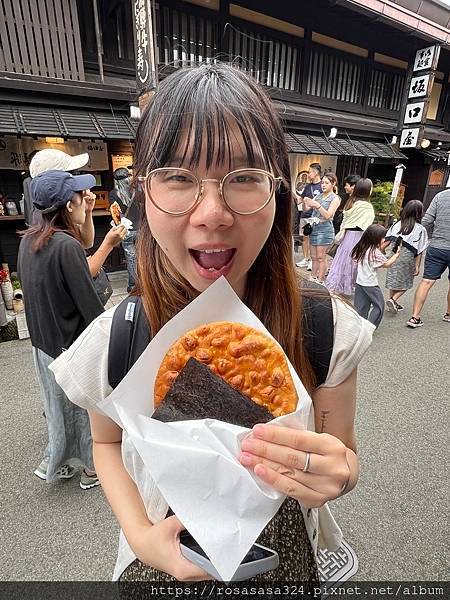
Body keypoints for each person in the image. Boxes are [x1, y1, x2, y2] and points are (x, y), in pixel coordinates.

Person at [50, 64, 373, 582]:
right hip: (161, 556)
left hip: (287, 556)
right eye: (178, 177)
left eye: (243, 178)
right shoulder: (120, 337)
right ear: (143, 192)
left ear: (278, 191)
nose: (212, 213)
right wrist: (140, 538)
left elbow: (344, 453)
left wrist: (343, 473)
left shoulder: (323, 326)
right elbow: (106, 443)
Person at [17, 170, 105, 489]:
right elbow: (90, 306)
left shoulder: (30, 239)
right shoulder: (66, 246)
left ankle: (59, 462)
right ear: (69, 204)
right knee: (85, 409)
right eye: (81, 196)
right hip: (70, 344)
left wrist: (89, 212)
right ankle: (93, 469)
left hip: (43, 342)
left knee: (58, 409)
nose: (86, 200)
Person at [27, 148, 127, 276]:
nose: (73, 178)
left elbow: (86, 242)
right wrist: (108, 244)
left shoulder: (50, 224)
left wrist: (87, 210)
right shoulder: (62, 242)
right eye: (69, 174)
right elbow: (84, 274)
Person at [407, 189, 450, 327]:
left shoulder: (440, 196)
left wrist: (416, 237)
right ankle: (448, 314)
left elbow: (427, 221)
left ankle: (415, 317)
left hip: (437, 246)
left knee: (426, 281)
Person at [326, 178, 375, 296]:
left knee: (342, 260)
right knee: (354, 262)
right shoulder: (366, 206)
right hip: (359, 236)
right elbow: (367, 224)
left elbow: (346, 220)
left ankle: (336, 285)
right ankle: (349, 286)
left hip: (348, 235)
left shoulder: (351, 202)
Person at [352, 224, 400, 328]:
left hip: (360, 282)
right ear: (375, 238)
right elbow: (387, 264)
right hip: (370, 284)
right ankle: (369, 327)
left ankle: (359, 326)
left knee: (361, 306)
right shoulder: (374, 252)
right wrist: (396, 255)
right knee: (379, 306)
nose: (384, 240)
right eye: (383, 237)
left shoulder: (362, 248)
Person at [385, 200, 428, 314]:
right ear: (419, 213)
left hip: (393, 255)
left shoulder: (397, 224)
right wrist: (417, 266)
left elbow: (387, 240)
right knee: (406, 283)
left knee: (394, 279)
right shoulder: (420, 229)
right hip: (407, 258)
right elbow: (419, 250)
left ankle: (392, 302)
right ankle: (393, 300)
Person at [303, 172, 340, 284]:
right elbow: (306, 209)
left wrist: (316, 205)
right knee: (313, 256)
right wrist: (306, 203)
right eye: (322, 183)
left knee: (321, 257)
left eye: (326, 183)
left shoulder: (335, 198)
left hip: (325, 230)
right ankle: (312, 277)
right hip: (314, 228)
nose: (323, 185)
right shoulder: (318, 196)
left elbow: (328, 215)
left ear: (333, 184)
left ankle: (320, 279)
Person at [109, 167, 140, 292]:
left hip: (126, 230)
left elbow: (116, 215)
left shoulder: (113, 193)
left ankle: (134, 286)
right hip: (142, 229)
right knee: (143, 257)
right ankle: (145, 283)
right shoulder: (138, 191)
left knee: (131, 259)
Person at [295, 163, 322, 271]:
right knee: (304, 238)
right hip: (305, 215)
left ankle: (312, 260)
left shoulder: (322, 185)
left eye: (310, 171)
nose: (308, 173)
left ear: (316, 173)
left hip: (315, 217)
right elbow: (301, 199)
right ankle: (306, 259)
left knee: (313, 239)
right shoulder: (307, 186)